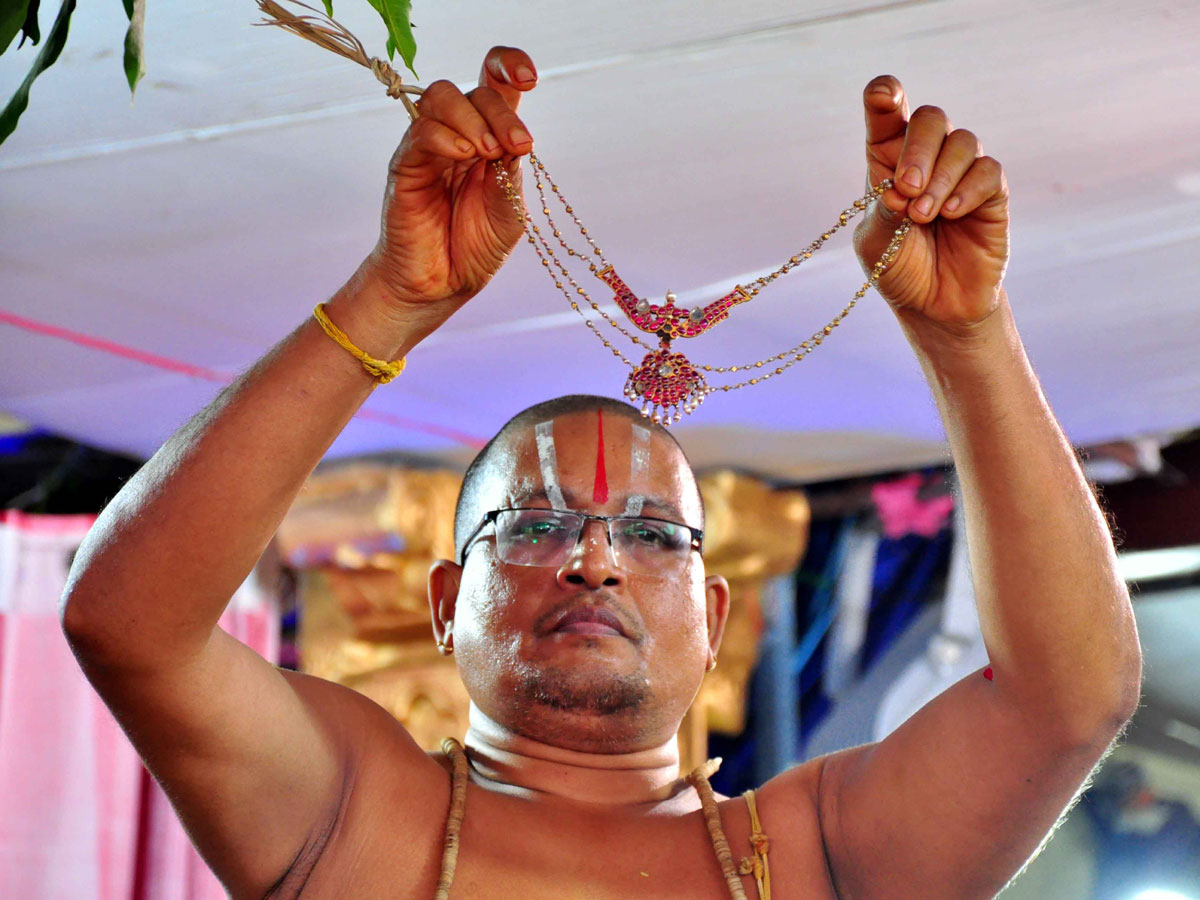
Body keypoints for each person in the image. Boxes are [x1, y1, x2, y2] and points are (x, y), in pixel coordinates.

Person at [61, 45, 1142, 900]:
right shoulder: (350, 812)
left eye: (650, 534)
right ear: (446, 603)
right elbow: (129, 621)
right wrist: (390, 298)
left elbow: (1070, 697)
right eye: (531, 526)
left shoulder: (818, 855)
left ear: (715, 619)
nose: (592, 559)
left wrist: (971, 340)